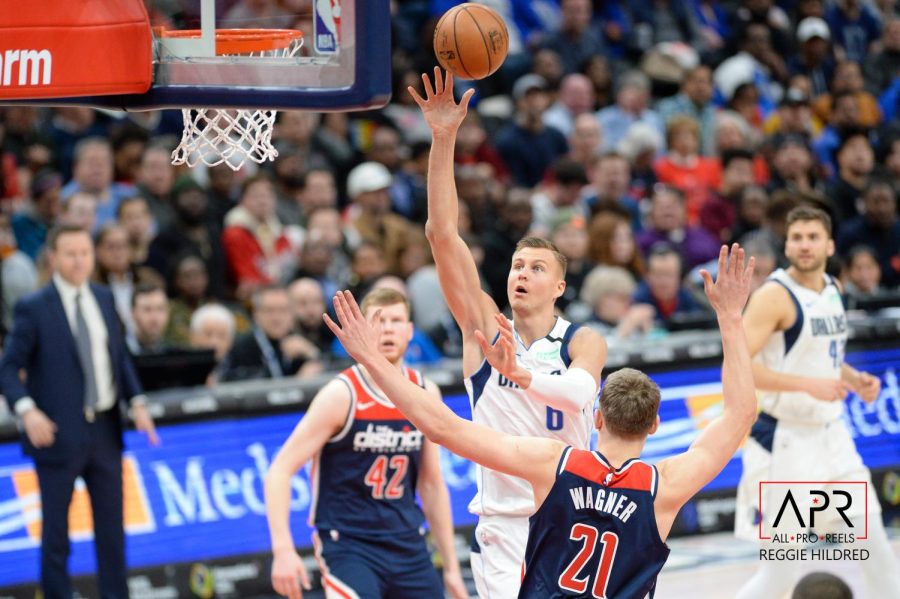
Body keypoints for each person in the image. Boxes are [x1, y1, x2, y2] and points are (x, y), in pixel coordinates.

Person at [323, 241, 756, 599]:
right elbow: (740, 415)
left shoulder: (557, 467)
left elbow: (441, 426)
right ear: (655, 424)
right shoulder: (666, 485)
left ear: (597, 418)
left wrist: (373, 363)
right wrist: (731, 319)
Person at [410, 67, 607, 599]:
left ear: (560, 285)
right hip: (504, 528)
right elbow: (441, 234)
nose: (521, 274)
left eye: (536, 268)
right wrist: (444, 138)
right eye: (518, 266)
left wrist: (521, 375)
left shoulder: (582, 341)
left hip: (571, 523)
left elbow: (581, 393)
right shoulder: (483, 329)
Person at [734, 206, 900, 598]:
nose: (804, 245)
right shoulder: (774, 296)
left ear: (829, 244)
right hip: (788, 445)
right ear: (787, 244)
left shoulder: (832, 288)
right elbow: (739, 365)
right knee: (782, 573)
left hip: (832, 441)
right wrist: (807, 385)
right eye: (797, 237)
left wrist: (852, 378)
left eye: (812, 237)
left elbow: (823, 354)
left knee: (875, 549)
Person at [264, 288, 467, 599]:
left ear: (410, 330)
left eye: (396, 320)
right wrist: (283, 550)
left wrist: (451, 568)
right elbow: (279, 471)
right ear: (362, 329)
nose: (387, 328)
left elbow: (432, 484)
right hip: (349, 544)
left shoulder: (426, 391)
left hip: (408, 542)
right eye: (379, 320)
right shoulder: (342, 394)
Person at [0, 224, 159, 599]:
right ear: (53, 257)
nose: (78, 260)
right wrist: (27, 410)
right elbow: (8, 367)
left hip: (104, 429)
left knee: (112, 531)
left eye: (85, 253)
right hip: (56, 433)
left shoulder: (104, 298)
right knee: (56, 534)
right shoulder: (34, 306)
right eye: (70, 253)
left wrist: (137, 402)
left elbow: (117, 357)